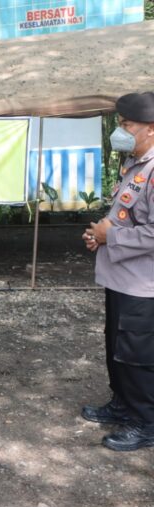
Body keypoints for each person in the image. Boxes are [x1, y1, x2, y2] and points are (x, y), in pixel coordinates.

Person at [82, 92, 154, 451]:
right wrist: (101, 236)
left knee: (137, 354)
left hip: (143, 284)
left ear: (151, 130)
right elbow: (125, 217)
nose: (120, 131)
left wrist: (113, 236)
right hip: (120, 278)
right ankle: (122, 404)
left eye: (127, 125)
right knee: (116, 346)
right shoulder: (133, 165)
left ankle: (145, 423)